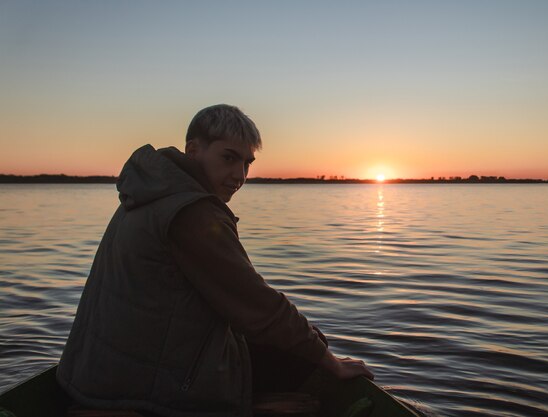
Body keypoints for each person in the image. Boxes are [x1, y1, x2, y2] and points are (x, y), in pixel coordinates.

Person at [56, 104, 373, 417]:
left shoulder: (147, 194)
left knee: (272, 337)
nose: (240, 175)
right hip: (134, 385)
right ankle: (242, 406)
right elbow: (260, 306)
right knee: (307, 346)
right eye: (229, 158)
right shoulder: (191, 213)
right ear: (193, 150)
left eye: (247, 163)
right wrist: (330, 361)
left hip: (91, 370)